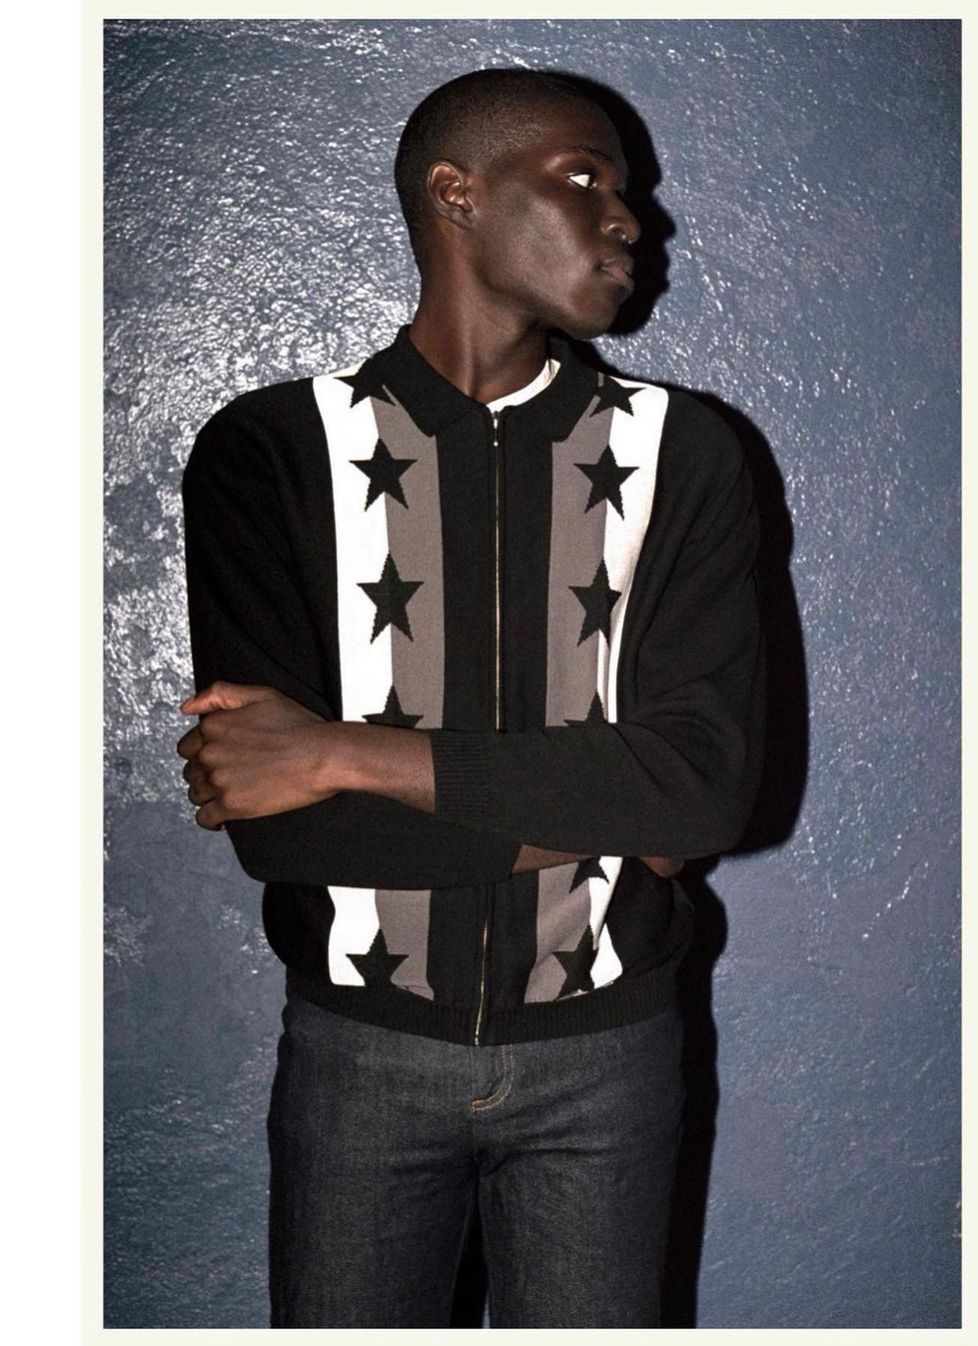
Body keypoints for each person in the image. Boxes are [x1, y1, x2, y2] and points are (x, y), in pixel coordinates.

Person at [176, 67, 764, 1329]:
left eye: (626, 189)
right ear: (457, 194)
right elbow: (280, 826)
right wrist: (617, 808)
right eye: (585, 178)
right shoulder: (268, 451)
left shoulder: (686, 452)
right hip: (357, 1055)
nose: (630, 217)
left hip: (611, 1055)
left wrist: (346, 752)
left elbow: (706, 791)